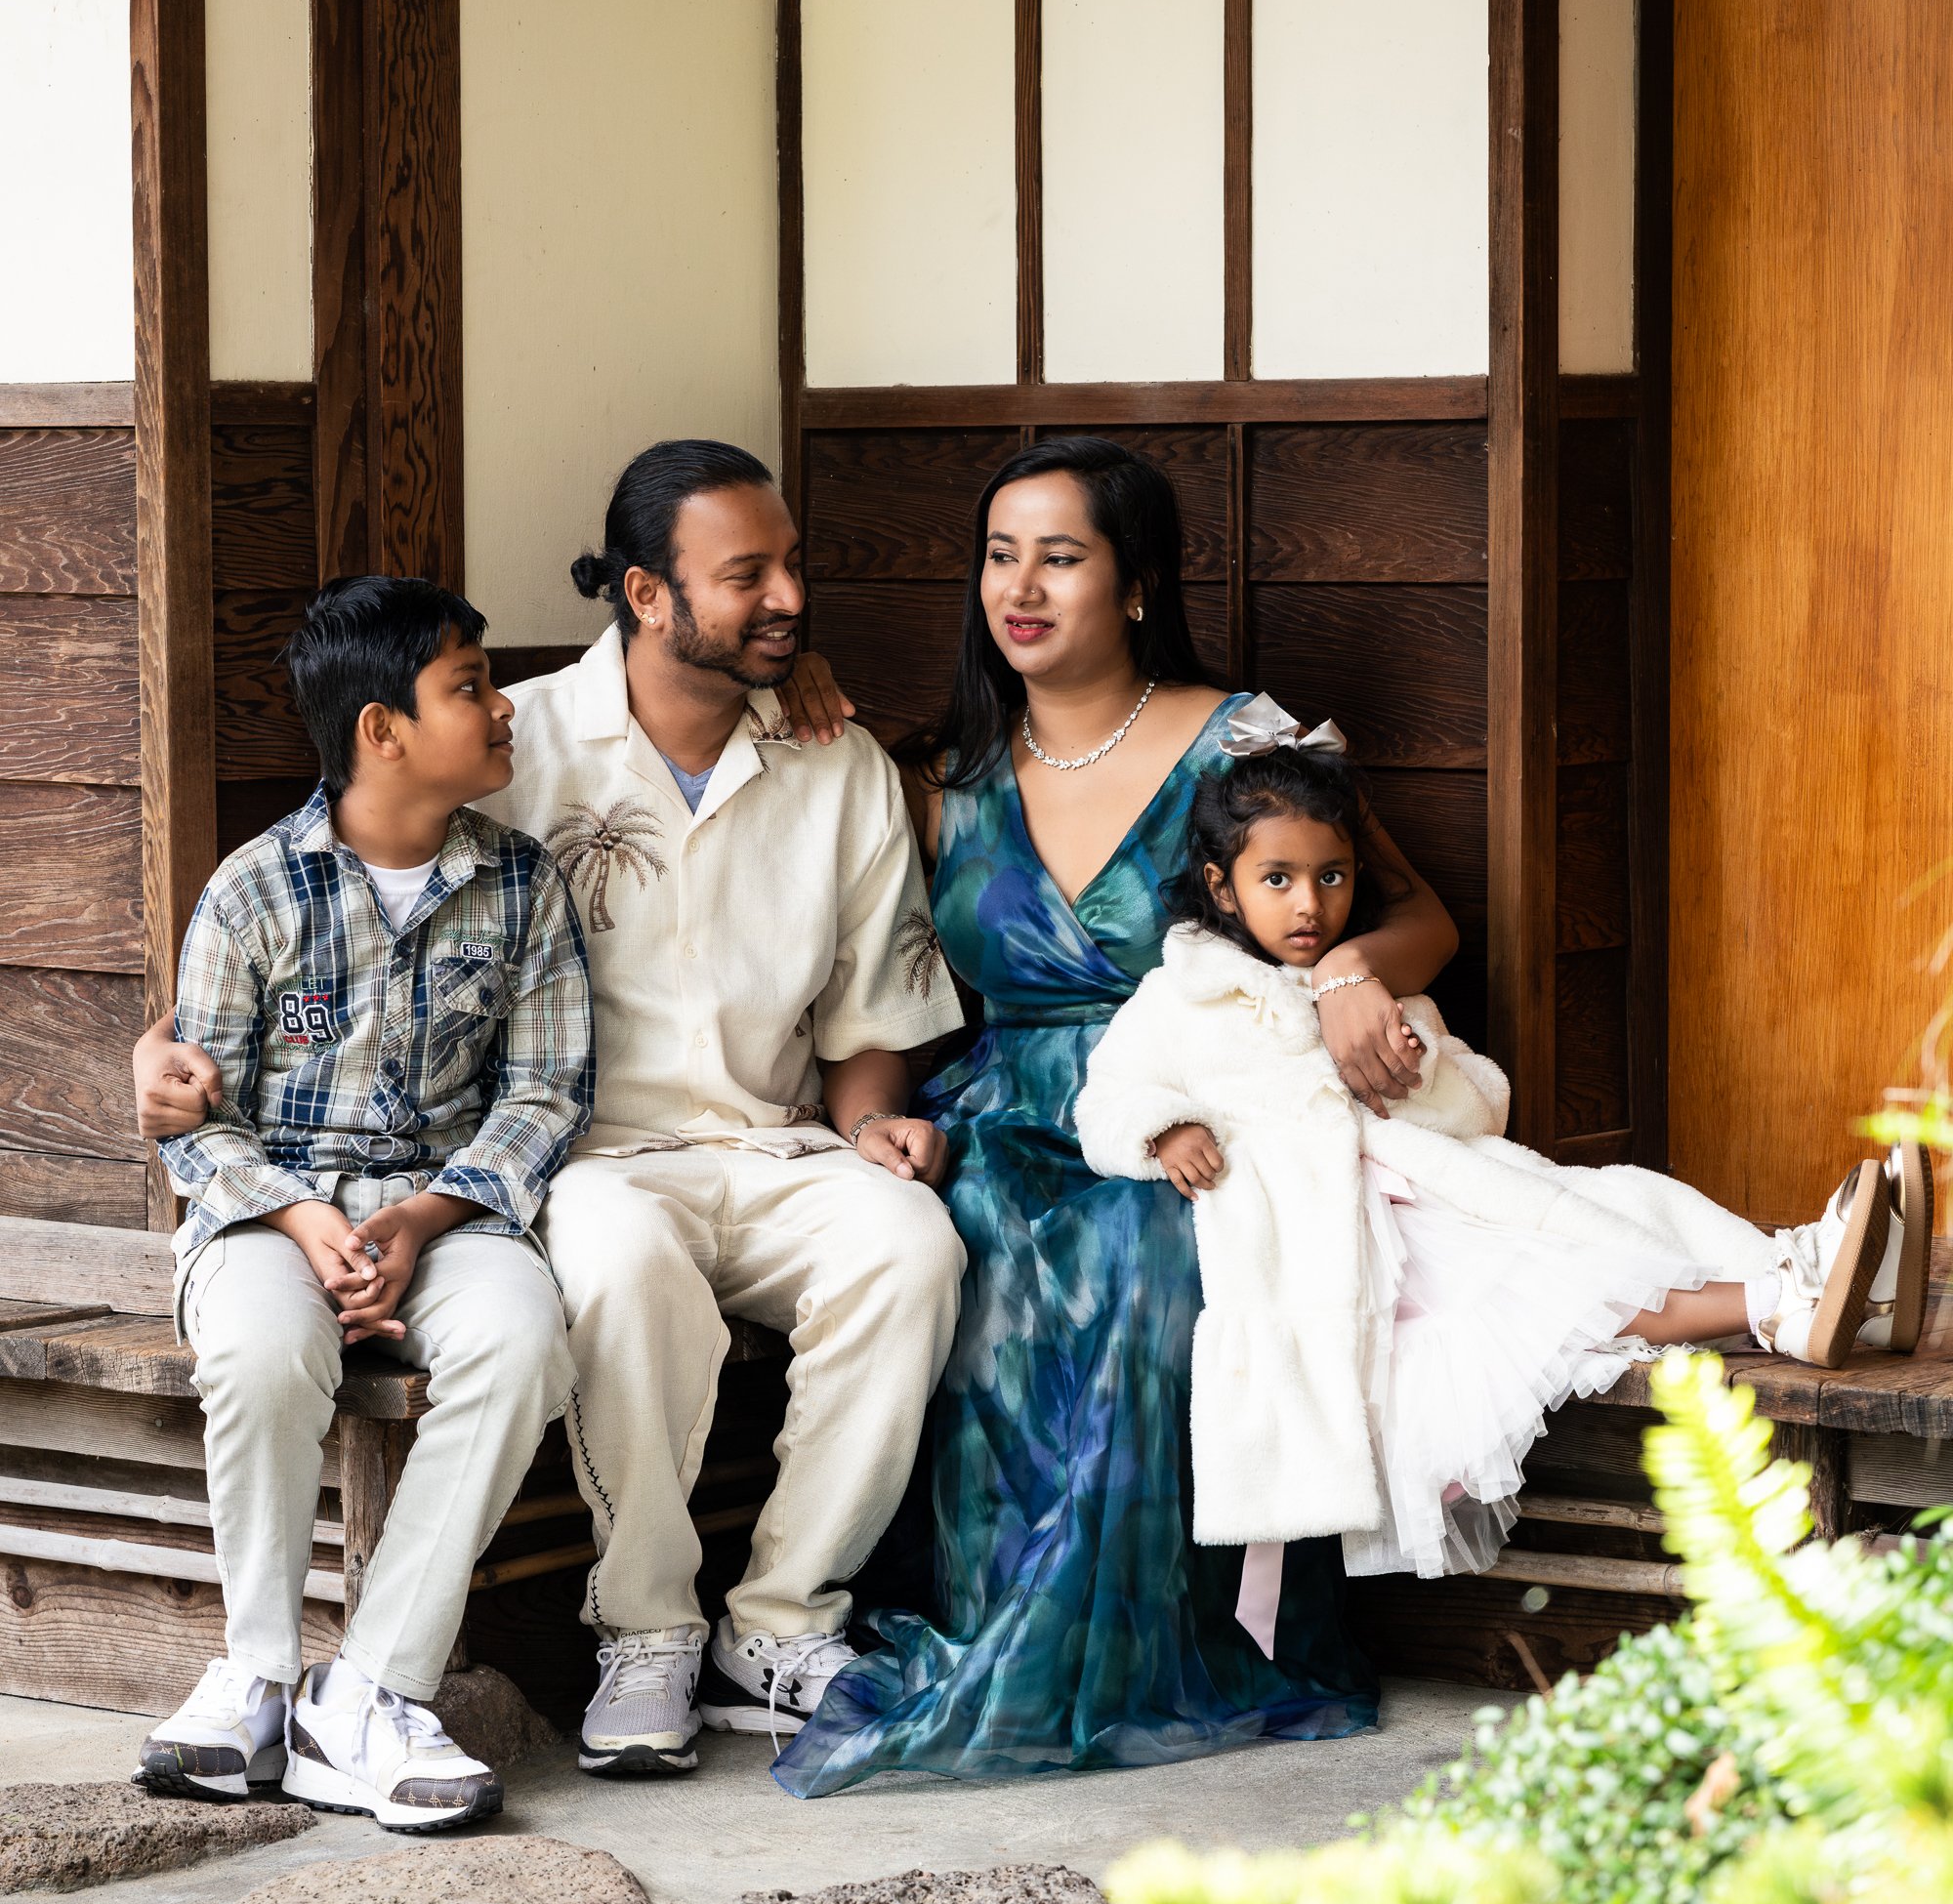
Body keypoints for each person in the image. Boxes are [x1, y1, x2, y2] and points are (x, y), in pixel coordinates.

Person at [136, 440, 966, 1779]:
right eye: (748, 574)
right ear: (647, 594)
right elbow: (340, 858)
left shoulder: (837, 760)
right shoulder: (507, 741)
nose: (790, 597)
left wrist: (875, 1126)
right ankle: (644, 1629)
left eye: (792, 566)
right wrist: (166, 1063)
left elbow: (870, 1011)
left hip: (774, 1139)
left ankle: (778, 1624)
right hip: (586, 1159)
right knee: (622, 1268)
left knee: (916, 1247)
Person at [773, 435, 1463, 1797]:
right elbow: (886, 988)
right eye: (998, 554)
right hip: (1003, 1109)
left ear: (1137, 585)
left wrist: (1335, 974)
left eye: (1061, 557)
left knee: (1147, 1257)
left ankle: (1136, 1644)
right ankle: (999, 1623)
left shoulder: (1246, 737)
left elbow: (1419, 914)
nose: (1019, 588)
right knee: (955, 1235)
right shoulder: (945, 769)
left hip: (1195, 1105)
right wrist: (886, 1123)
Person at [1074, 712, 1934, 1591]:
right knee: (1557, 1286)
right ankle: (1784, 1295)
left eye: (1330, 876)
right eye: (1278, 878)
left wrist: (1414, 1067)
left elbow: (1467, 1102)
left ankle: (1830, 1291)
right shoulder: (1179, 997)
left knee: (1617, 1208)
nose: (1309, 903)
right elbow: (1106, 1097)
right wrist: (1167, 1131)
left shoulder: (1362, 982)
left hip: (1427, 1190)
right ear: (1222, 888)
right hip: (1348, 1241)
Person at [136, 576, 591, 1830]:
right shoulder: (251, 892)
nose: (504, 709)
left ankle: (375, 1687)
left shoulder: (521, 885)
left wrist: (424, 1219)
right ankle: (258, 1676)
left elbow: (546, 1092)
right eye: (470, 688)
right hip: (268, 1212)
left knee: (519, 1344)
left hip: (447, 1210)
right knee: (262, 1348)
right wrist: (301, 1220)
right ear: (381, 730)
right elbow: (196, 1120)